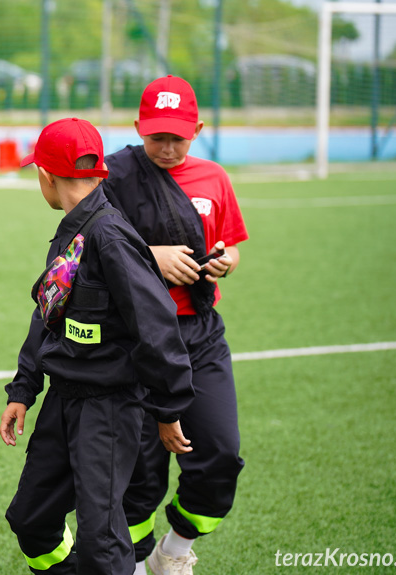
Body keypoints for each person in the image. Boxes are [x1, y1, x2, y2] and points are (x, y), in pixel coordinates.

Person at [0, 117, 194, 575]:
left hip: (108, 408)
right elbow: (48, 312)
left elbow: (159, 326)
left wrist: (167, 411)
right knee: (30, 518)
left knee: (101, 539)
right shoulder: (72, 229)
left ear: (45, 175)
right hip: (64, 401)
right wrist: (23, 389)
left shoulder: (110, 235)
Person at [102, 75, 248, 575]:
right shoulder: (115, 178)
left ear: (198, 129)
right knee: (139, 476)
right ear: (138, 127)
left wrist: (227, 260)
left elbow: (231, 242)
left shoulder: (215, 178)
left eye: (178, 137)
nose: (166, 147)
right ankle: (137, 564)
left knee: (220, 454)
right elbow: (85, 252)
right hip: (135, 342)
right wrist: (150, 257)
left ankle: (176, 551)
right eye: (157, 135)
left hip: (200, 337)